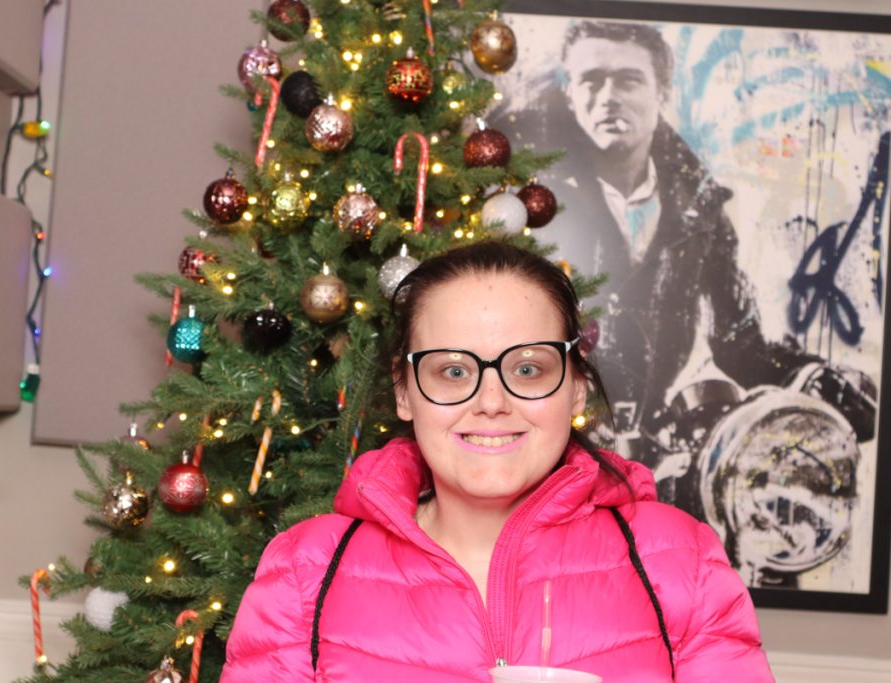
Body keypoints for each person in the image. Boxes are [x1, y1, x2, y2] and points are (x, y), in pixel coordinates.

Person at [221, 241, 774, 682]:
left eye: (528, 369)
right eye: (453, 371)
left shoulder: (681, 563)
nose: (491, 402)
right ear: (405, 391)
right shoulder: (305, 572)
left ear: (576, 389)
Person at [515, 21, 874, 510]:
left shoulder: (701, 208)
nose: (608, 97)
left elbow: (738, 341)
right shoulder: (529, 202)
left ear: (662, 92)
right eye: (591, 80)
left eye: (628, 80)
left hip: (648, 469)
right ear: (571, 95)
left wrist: (814, 378)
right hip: (545, 464)